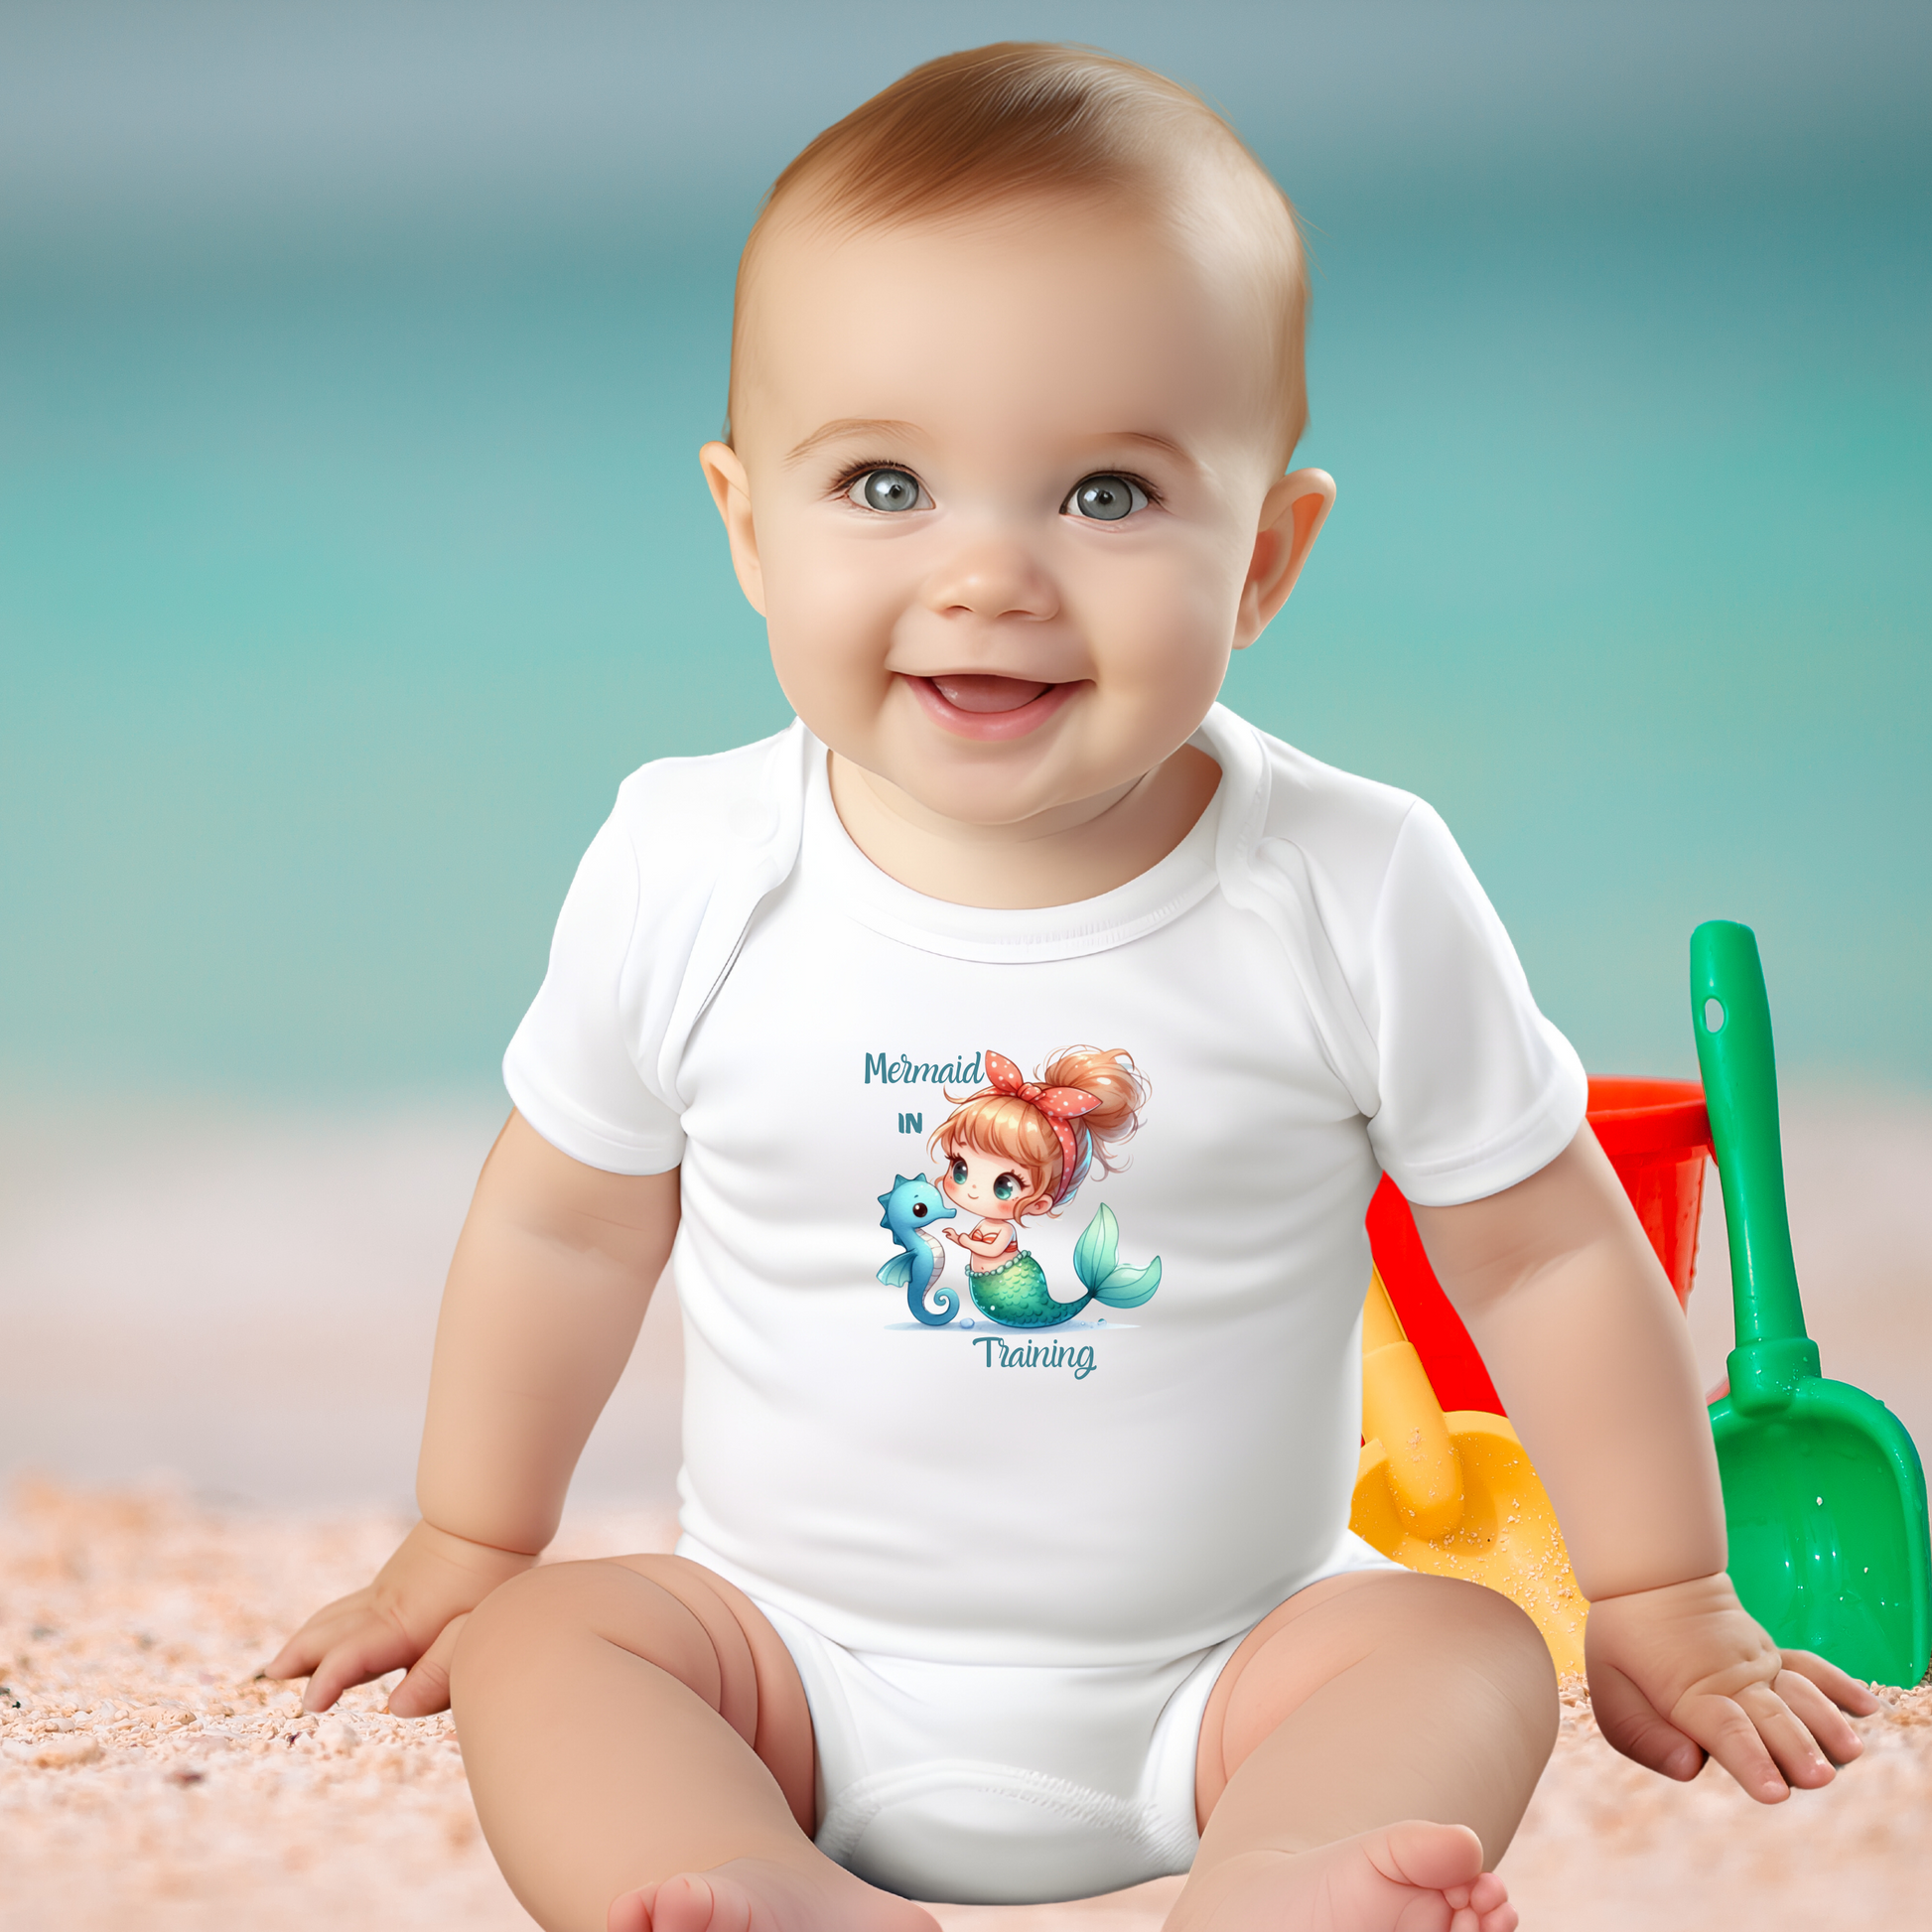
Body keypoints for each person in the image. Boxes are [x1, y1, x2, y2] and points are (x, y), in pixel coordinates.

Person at [266, 43, 1876, 1932]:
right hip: (789, 1663)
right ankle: (757, 1885)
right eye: (883, 481)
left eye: (1108, 494)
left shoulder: (1349, 878)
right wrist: (474, 1531)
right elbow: (565, 1224)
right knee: (554, 1650)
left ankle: (1284, 1878)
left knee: (1458, 1651)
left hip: (1236, 1667)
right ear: (743, 525)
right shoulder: (688, 862)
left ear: (1263, 554)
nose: (988, 575)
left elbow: (1537, 1245)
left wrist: (1662, 1591)